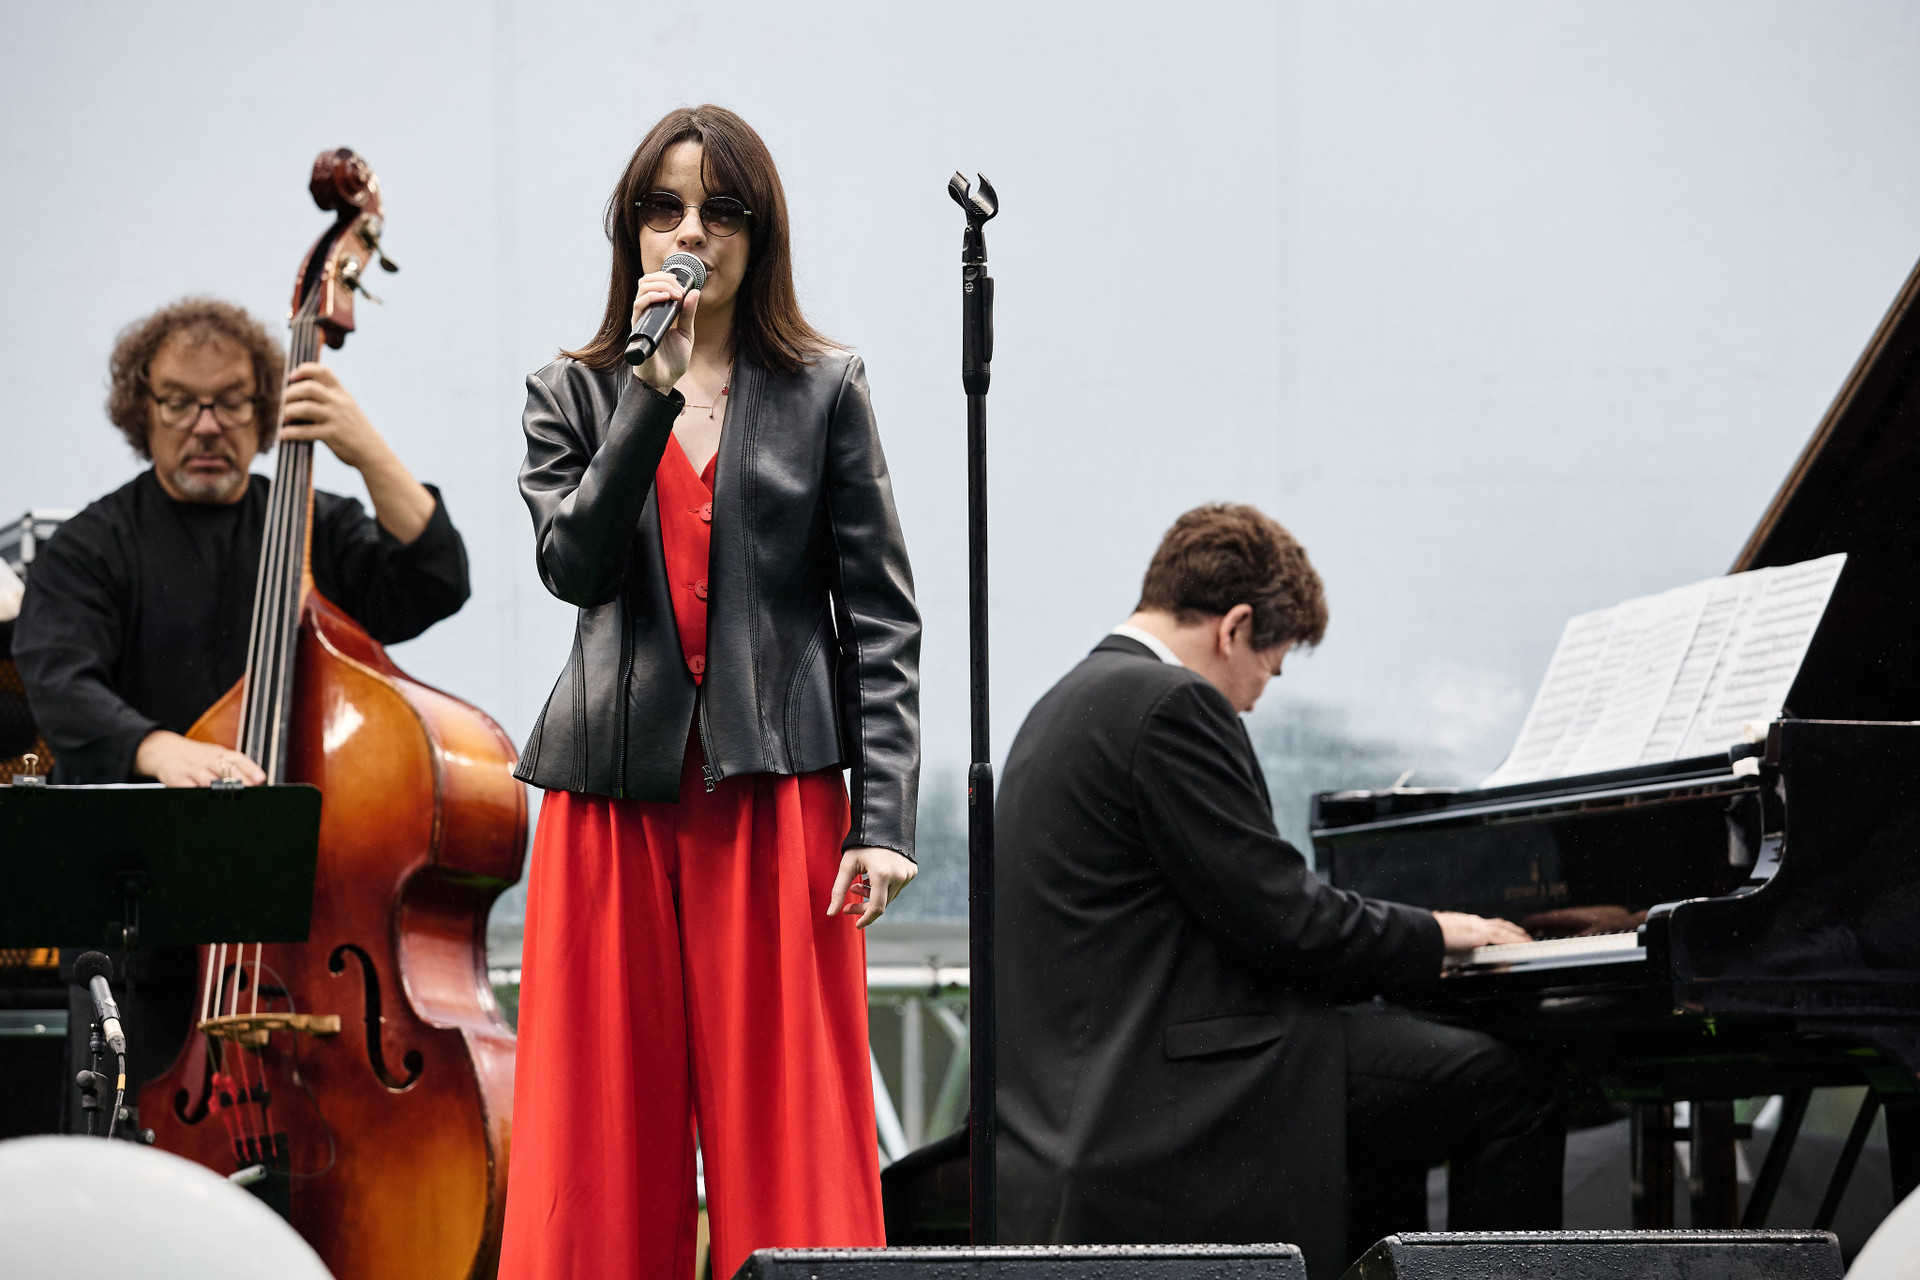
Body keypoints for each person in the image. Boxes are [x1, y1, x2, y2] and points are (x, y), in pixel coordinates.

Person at [499, 105, 920, 1280]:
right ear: (632, 231)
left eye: (720, 209)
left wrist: (885, 816)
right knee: (594, 1143)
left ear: (759, 231)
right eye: (666, 207)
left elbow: (879, 614)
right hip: (607, 804)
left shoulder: (827, 388)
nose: (692, 232)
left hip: (779, 801)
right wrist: (650, 392)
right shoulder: (569, 390)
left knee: (794, 1144)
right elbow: (574, 568)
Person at [994, 504, 1565, 1280]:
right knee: (1511, 1086)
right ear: (1234, 628)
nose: (1258, 697)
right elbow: (1283, 918)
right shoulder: (1171, 705)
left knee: (1399, 1074)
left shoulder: (1062, 705)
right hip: (1178, 1094)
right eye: (1274, 664)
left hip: (1090, 1097)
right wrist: (1437, 933)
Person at [11, 297, 470, 785]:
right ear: (142, 411)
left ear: (266, 409)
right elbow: (58, 681)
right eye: (178, 402)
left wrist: (368, 451)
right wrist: (157, 749)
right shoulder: (88, 546)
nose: (207, 427)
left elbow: (435, 583)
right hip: (139, 821)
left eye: (232, 402)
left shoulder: (318, 525)